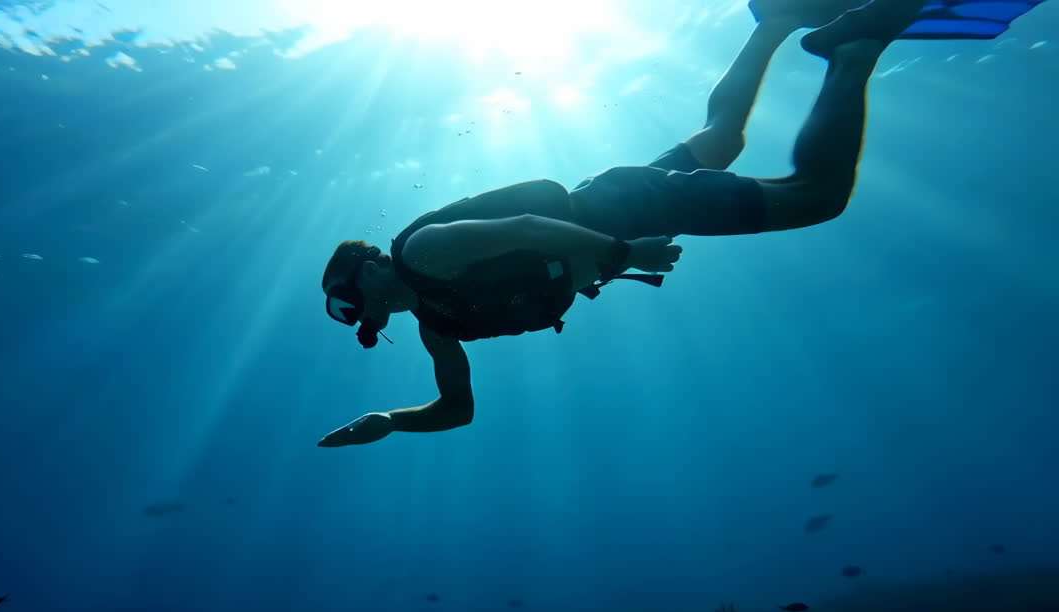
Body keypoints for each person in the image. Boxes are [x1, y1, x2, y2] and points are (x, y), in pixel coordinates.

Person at [318, 0, 1047, 448]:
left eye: (356, 301)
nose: (369, 316)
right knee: (720, 138)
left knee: (816, 196)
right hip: (614, 200)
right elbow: (457, 409)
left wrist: (616, 249)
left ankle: (851, 50)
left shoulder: (424, 250)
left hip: (622, 210)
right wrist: (389, 420)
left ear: (369, 265)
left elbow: (527, 226)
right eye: (360, 320)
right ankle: (781, 23)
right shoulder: (436, 323)